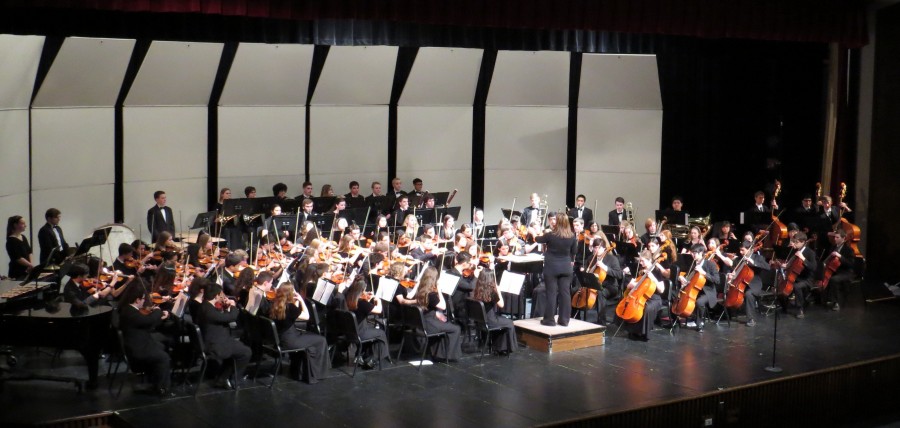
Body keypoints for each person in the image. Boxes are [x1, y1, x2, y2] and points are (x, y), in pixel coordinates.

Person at [117, 283, 172, 396]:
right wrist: (157, 310)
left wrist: (156, 316)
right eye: (142, 299)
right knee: (164, 357)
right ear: (137, 300)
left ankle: (154, 378)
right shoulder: (130, 313)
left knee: (161, 345)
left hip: (137, 341)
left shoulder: (127, 309)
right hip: (137, 348)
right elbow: (147, 321)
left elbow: (145, 322)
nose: (143, 301)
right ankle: (161, 388)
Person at [397, 267, 462, 361]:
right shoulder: (431, 295)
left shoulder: (419, 290)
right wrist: (439, 290)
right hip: (428, 325)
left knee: (445, 324)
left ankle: (438, 352)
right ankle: (447, 355)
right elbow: (443, 306)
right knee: (456, 328)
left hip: (419, 323)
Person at [268, 282, 329, 383]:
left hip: (280, 339)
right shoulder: (290, 308)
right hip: (290, 341)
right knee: (321, 340)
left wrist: (294, 302)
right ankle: (317, 373)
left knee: (311, 339)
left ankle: (303, 371)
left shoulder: (274, 303)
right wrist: (301, 301)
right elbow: (306, 316)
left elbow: (293, 315)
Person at [198, 282, 251, 389]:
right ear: (216, 295)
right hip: (216, 345)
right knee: (246, 352)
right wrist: (233, 306)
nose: (223, 296)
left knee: (238, 348)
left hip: (216, 339)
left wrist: (227, 309)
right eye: (221, 294)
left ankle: (222, 378)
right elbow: (230, 318)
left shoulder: (205, 306)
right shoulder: (208, 311)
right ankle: (234, 380)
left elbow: (222, 319)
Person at [535, 211, 577, 327]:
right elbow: (574, 252)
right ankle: (564, 320)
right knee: (565, 293)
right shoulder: (572, 236)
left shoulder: (550, 235)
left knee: (551, 293)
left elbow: (538, 239)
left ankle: (549, 320)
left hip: (551, 268)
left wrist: (536, 232)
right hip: (566, 267)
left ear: (557, 222)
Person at [621, 248, 666, 341]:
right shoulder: (640, 269)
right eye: (640, 260)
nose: (640, 263)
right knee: (628, 304)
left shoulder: (656, 271)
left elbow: (661, 290)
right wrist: (631, 285)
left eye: (642, 261)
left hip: (654, 298)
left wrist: (652, 277)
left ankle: (643, 333)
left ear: (649, 260)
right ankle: (632, 331)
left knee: (646, 308)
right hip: (640, 294)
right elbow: (633, 283)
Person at [345, 277, 390, 368]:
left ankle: (360, 356)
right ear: (362, 290)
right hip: (359, 333)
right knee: (381, 333)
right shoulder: (362, 303)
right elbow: (378, 310)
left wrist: (367, 300)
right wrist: (379, 301)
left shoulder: (348, 297)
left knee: (372, 329)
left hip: (349, 332)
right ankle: (373, 359)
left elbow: (362, 310)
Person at [674, 244, 719, 332]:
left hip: (707, 292)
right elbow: (687, 277)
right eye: (692, 253)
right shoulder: (693, 264)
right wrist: (681, 278)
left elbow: (717, 280)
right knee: (675, 295)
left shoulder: (710, 264)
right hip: (694, 290)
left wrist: (704, 273)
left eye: (695, 253)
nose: (692, 255)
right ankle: (678, 320)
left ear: (701, 253)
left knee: (699, 302)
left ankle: (700, 323)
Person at [725, 240, 770, 327]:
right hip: (740, 283)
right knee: (729, 291)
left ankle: (751, 319)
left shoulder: (757, 258)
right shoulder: (738, 259)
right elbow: (734, 272)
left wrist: (753, 262)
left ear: (749, 250)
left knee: (749, 294)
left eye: (743, 250)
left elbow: (767, 267)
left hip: (754, 283)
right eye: (740, 250)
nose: (741, 252)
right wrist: (731, 275)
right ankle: (732, 314)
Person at [472, 269, 517, 355]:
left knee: (504, 321)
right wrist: (498, 290)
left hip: (479, 321)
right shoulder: (491, 292)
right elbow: (501, 305)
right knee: (509, 322)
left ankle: (498, 346)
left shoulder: (477, 289)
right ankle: (505, 348)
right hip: (490, 321)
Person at [773, 232, 817, 319]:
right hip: (795, 277)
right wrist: (784, 266)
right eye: (794, 241)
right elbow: (790, 265)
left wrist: (803, 258)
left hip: (806, 279)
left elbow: (813, 267)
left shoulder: (810, 252)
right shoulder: (796, 251)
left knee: (797, 287)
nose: (794, 244)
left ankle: (800, 309)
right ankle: (784, 307)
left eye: (796, 242)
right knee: (780, 288)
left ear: (803, 242)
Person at [586, 236, 623, 326]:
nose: (596, 250)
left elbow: (619, 274)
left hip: (610, 286)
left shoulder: (612, 259)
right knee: (575, 291)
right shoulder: (591, 258)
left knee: (600, 293)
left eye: (598, 248)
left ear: (604, 248)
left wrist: (605, 267)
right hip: (594, 285)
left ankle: (601, 322)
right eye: (594, 248)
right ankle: (576, 317)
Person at [821, 228, 856, 311]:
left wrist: (840, 256)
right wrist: (825, 263)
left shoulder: (849, 250)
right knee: (822, 276)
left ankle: (836, 302)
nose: (835, 239)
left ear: (843, 238)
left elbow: (850, 264)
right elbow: (830, 260)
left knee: (834, 279)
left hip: (846, 272)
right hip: (834, 270)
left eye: (837, 237)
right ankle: (824, 298)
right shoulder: (833, 247)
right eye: (835, 237)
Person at [6, 215, 33, 280]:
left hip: (27, 269)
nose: (25, 225)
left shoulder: (23, 237)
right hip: (17, 272)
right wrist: (30, 265)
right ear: (15, 225)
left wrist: (31, 264)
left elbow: (29, 252)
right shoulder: (11, 240)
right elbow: (18, 258)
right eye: (23, 223)